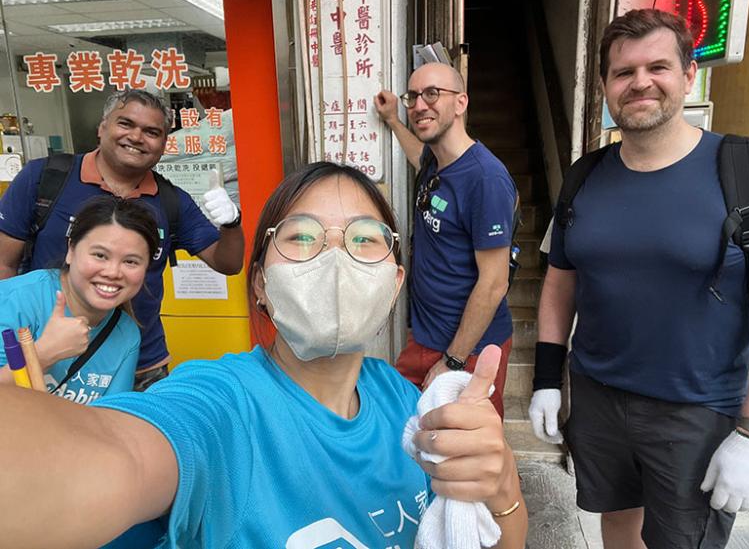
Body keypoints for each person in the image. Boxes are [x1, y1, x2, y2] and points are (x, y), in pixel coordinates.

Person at [0, 161, 527, 548]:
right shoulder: (221, 404)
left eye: (366, 239)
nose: (336, 257)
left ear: (394, 283)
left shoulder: (404, 402)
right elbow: (110, 457)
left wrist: (501, 486)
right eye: (301, 237)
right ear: (261, 285)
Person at [529, 9, 749, 549]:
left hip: (695, 410)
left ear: (689, 75)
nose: (640, 82)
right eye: (623, 73)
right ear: (604, 87)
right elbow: (558, 281)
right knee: (616, 522)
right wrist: (547, 378)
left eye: (658, 67)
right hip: (597, 396)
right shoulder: (585, 175)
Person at [0, 89, 245, 390]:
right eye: (125, 124)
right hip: (45, 356)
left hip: (143, 361)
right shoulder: (45, 179)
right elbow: (4, 263)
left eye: (152, 131)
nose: (137, 137)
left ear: (164, 143)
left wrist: (232, 223)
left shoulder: (171, 201)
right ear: (102, 128)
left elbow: (228, 262)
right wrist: (27, 346)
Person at [374, 62, 516, 417]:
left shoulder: (485, 179)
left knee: (467, 451)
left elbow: (494, 283)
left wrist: (452, 360)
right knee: (407, 435)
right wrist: (393, 119)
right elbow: (416, 153)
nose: (420, 105)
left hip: (470, 348)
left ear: (461, 102)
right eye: (413, 96)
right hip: (425, 336)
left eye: (433, 93)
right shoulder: (435, 163)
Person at [0, 196, 158, 398]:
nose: (113, 272)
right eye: (100, 255)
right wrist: (46, 353)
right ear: (71, 250)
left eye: (131, 262)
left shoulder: (126, 334)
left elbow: (110, 418)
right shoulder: (13, 300)